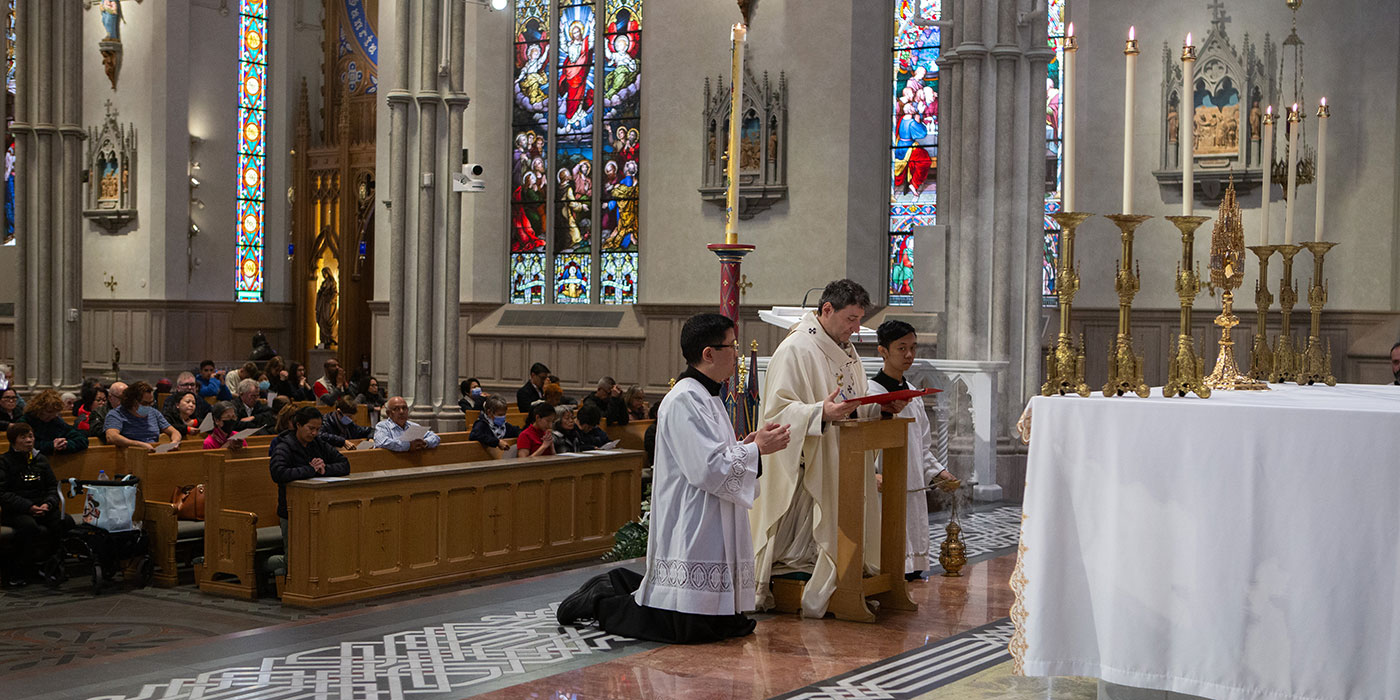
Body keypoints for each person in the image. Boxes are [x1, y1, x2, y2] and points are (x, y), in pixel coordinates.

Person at [557, 313, 791, 643]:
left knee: (710, 623)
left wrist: (748, 445)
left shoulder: (709, 396)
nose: (737, 354)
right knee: (679, 626)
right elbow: (706, 468)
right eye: (731, 346)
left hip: (709, 511)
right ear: (709, 353)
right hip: (691, 515)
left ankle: (620, 584)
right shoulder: (684, 399)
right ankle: (600, 599)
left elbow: (713, 454)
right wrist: (757, 452)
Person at [749, 279, 887, 618]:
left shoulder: (845, 348)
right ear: (827, 310)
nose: (856, 328)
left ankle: (849, 580)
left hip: (844, 456)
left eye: (859, 319)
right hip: (808, 463)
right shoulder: (796, 349)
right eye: (851, 319)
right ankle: (807, 582)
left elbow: (852, 400)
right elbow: (776, 414)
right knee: (804, 547)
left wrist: (879, 408)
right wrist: (818, 413)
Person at [867, 320, 959, 581]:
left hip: (912, 486)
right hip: (883, 487)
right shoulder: (871, 393)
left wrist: (939, 472)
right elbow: (862, 444)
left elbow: (922, 446)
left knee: (913, 567)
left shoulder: (913, 395)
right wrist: (869, 475)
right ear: (883, 351)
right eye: (901, 348)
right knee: (888, 559)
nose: (909, 355)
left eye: (913, 348)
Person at [269, 406, 350, 547]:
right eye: (311, 428)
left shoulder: (318, 443)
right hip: (292, 511)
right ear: (298, 425)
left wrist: (324, 470)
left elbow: (344, 464)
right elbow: (278, 473)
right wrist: (310, 470)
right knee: (295, 557)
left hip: (319, 508)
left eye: (318, 429)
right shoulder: (284, 446)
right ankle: (270, 564)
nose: (314, 433)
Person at [0, 423, 63, 587]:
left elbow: (52, 486)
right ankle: (19, 570)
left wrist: (48, 504)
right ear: (14, 441)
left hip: (42, 506)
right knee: (29, 527)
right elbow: (3, 493)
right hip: (16, 510)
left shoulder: (40, 459)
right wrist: (28, 507)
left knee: (63, 522)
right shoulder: (4, 461)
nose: (29, 441)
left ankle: (48, 564)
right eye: (24, 437)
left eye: (31, 437)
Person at [104, 381, 182, 451]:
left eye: (151, 403)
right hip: (131, 455)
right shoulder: (116, 414)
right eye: (144, 403)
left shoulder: (154, 413)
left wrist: (174, 442)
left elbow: (174, 432)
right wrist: (139, 445)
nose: (148, 406)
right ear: (132, 401)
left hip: (153, 453)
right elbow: (111, 437)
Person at [21, 389, 88, 456]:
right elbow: (24, 444)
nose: (52, 416)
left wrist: (65, 445)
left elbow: (81, 439)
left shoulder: (56, 421)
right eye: (49, 412)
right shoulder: (25, 422)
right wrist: (51, 445)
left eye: (55, 412)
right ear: (38, 409)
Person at [373, 396, 441, 452]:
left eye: (404, 408)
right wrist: (409, 446)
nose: (401, 412)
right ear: (388, 413)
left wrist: (425, 443)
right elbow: (383, 442)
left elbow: (435, 437)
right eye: (396, 409)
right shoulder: (382, 426)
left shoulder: (413, 426)